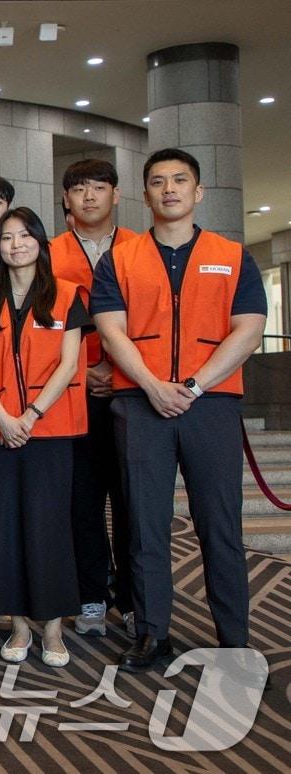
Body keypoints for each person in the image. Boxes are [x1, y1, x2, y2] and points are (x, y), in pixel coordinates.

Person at [92, 148, 266, 670]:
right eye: (158, 182)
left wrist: (190, 384)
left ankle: (234, 636)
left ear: (198, 191)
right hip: (138, 403)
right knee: (144, 524)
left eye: (180, 180)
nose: (169, 189)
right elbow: (110, 328)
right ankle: (151, 633)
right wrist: (150, 384)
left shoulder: (233, 255)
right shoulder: (119, 259)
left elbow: (250, 328)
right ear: (144, 195)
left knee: (220, 523)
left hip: (210, 404)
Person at [0, 207, 88, 667]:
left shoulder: (68, 295)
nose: (15, 244)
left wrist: (31, 415)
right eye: (6, 237)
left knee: (49, 526)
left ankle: (53, 630)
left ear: (40, 241)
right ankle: (18, 625)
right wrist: (2, 416)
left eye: (24, 236)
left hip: (51, 428)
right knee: (4, 525)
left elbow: (69, 364)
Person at [50, 159, 138, 639]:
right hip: (73, 393)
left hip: (131, 391)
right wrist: (84, 371)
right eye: (78, 189)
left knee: (131, 499)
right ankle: (91, 595)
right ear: (66, 200)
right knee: (80, 501)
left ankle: (130, 597)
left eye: (98, 188)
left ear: (116, 195)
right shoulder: (49, 252)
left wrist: (118, 368)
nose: (88, 196)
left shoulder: (139, 251)